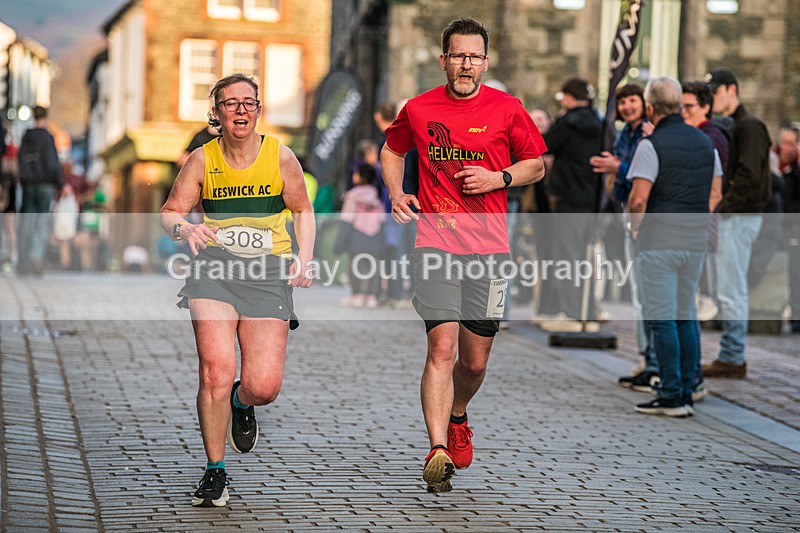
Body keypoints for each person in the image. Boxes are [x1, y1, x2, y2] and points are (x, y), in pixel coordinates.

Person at [380, 18, 546, 493]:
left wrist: (499, 179)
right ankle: (437, 450)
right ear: (444, 60)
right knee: (441, 349)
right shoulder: (418, 107)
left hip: (489, 250)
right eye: (457, 55)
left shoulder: (508, 109)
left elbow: (536, 163)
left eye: (474, 56)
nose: (466, 64)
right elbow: (392, 152)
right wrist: (397, 193)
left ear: (485, 63)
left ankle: (457, 414)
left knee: (473, 364)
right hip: (435, 243)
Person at [159, 73, 315, 507]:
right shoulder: (201, 160)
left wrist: (304, 258)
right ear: (217, 113)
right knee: (215, 369)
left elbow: (303, 210)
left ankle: (241, 403)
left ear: (258, 110)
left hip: (268, 275)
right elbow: (170, 211)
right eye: (231, 103)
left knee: (264, 386)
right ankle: (215, 471)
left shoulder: (281, 157)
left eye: (249, 103)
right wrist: (183, 227)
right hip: (214, 272)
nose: (241, 110)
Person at [627, 76, 722, 417]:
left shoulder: (651, 145)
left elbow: (638, 200)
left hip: (659, 241)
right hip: (694, 242)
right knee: (685, 316)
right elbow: (716, 194)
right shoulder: (705, 143)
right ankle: (686, 388)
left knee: (663, 319)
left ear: (651, 108)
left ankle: (670, 393)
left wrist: (636, 231)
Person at [701, 68, 772, 379]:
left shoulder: (749, 126)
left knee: (731, 288)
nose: (712, 99)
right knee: (726, 286)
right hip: (735, 213)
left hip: (740, 215)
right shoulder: (736, 126)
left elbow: (749, 175)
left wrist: (723, 206)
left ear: (731, 90)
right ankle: (731, 352)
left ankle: (732, 354)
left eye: (715, 92)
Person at [590, 84, 658, 392]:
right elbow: (620, 184)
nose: (629, 106)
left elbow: (646, 174)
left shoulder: (649, 133)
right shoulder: (623, 135)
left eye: (633, 100)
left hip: (649, 220)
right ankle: (647, 358)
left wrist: (620, 168)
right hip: (629, 217)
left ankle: (654, 361)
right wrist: (613, 177)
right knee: (639, 295)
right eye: (624, 102)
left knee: (651, 296)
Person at [537, 77, 603, 331]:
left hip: (568, 200)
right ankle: (587, 311)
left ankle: (572, 314)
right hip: (592, 200)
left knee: (567, 257)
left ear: (568, 96)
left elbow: (544, 146)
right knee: (585, 259)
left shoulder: (568, 123)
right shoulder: (599, 123)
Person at [17, 106, 63, 275]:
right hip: (44, 185)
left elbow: (20, 160)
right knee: (42, 222)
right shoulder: (47, 138)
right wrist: (60, 183)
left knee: (26, 222)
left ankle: (22, 262)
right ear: (46, 117)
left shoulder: (26, 137)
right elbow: (52, 163)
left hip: (28, 184)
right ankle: (35, 255)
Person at [335, 162, 385, 308]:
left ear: (361, 176)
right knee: (373, 266)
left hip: (357, 234)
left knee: (355, 266)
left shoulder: (352, 195)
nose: (354, 176)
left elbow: (346, 219)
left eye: (356, 173)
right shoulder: (376, 195)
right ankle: (371, 296)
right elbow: (382, 219)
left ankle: (356, 295)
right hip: (374, 234)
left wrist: (340, 242)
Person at [777, 127, 800, 333]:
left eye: (791, 143)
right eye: (783, 142)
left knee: (796, 270)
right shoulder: (777, 164)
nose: (786, 147)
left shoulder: (795, 170)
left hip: (794, 226)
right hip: (782, 225)